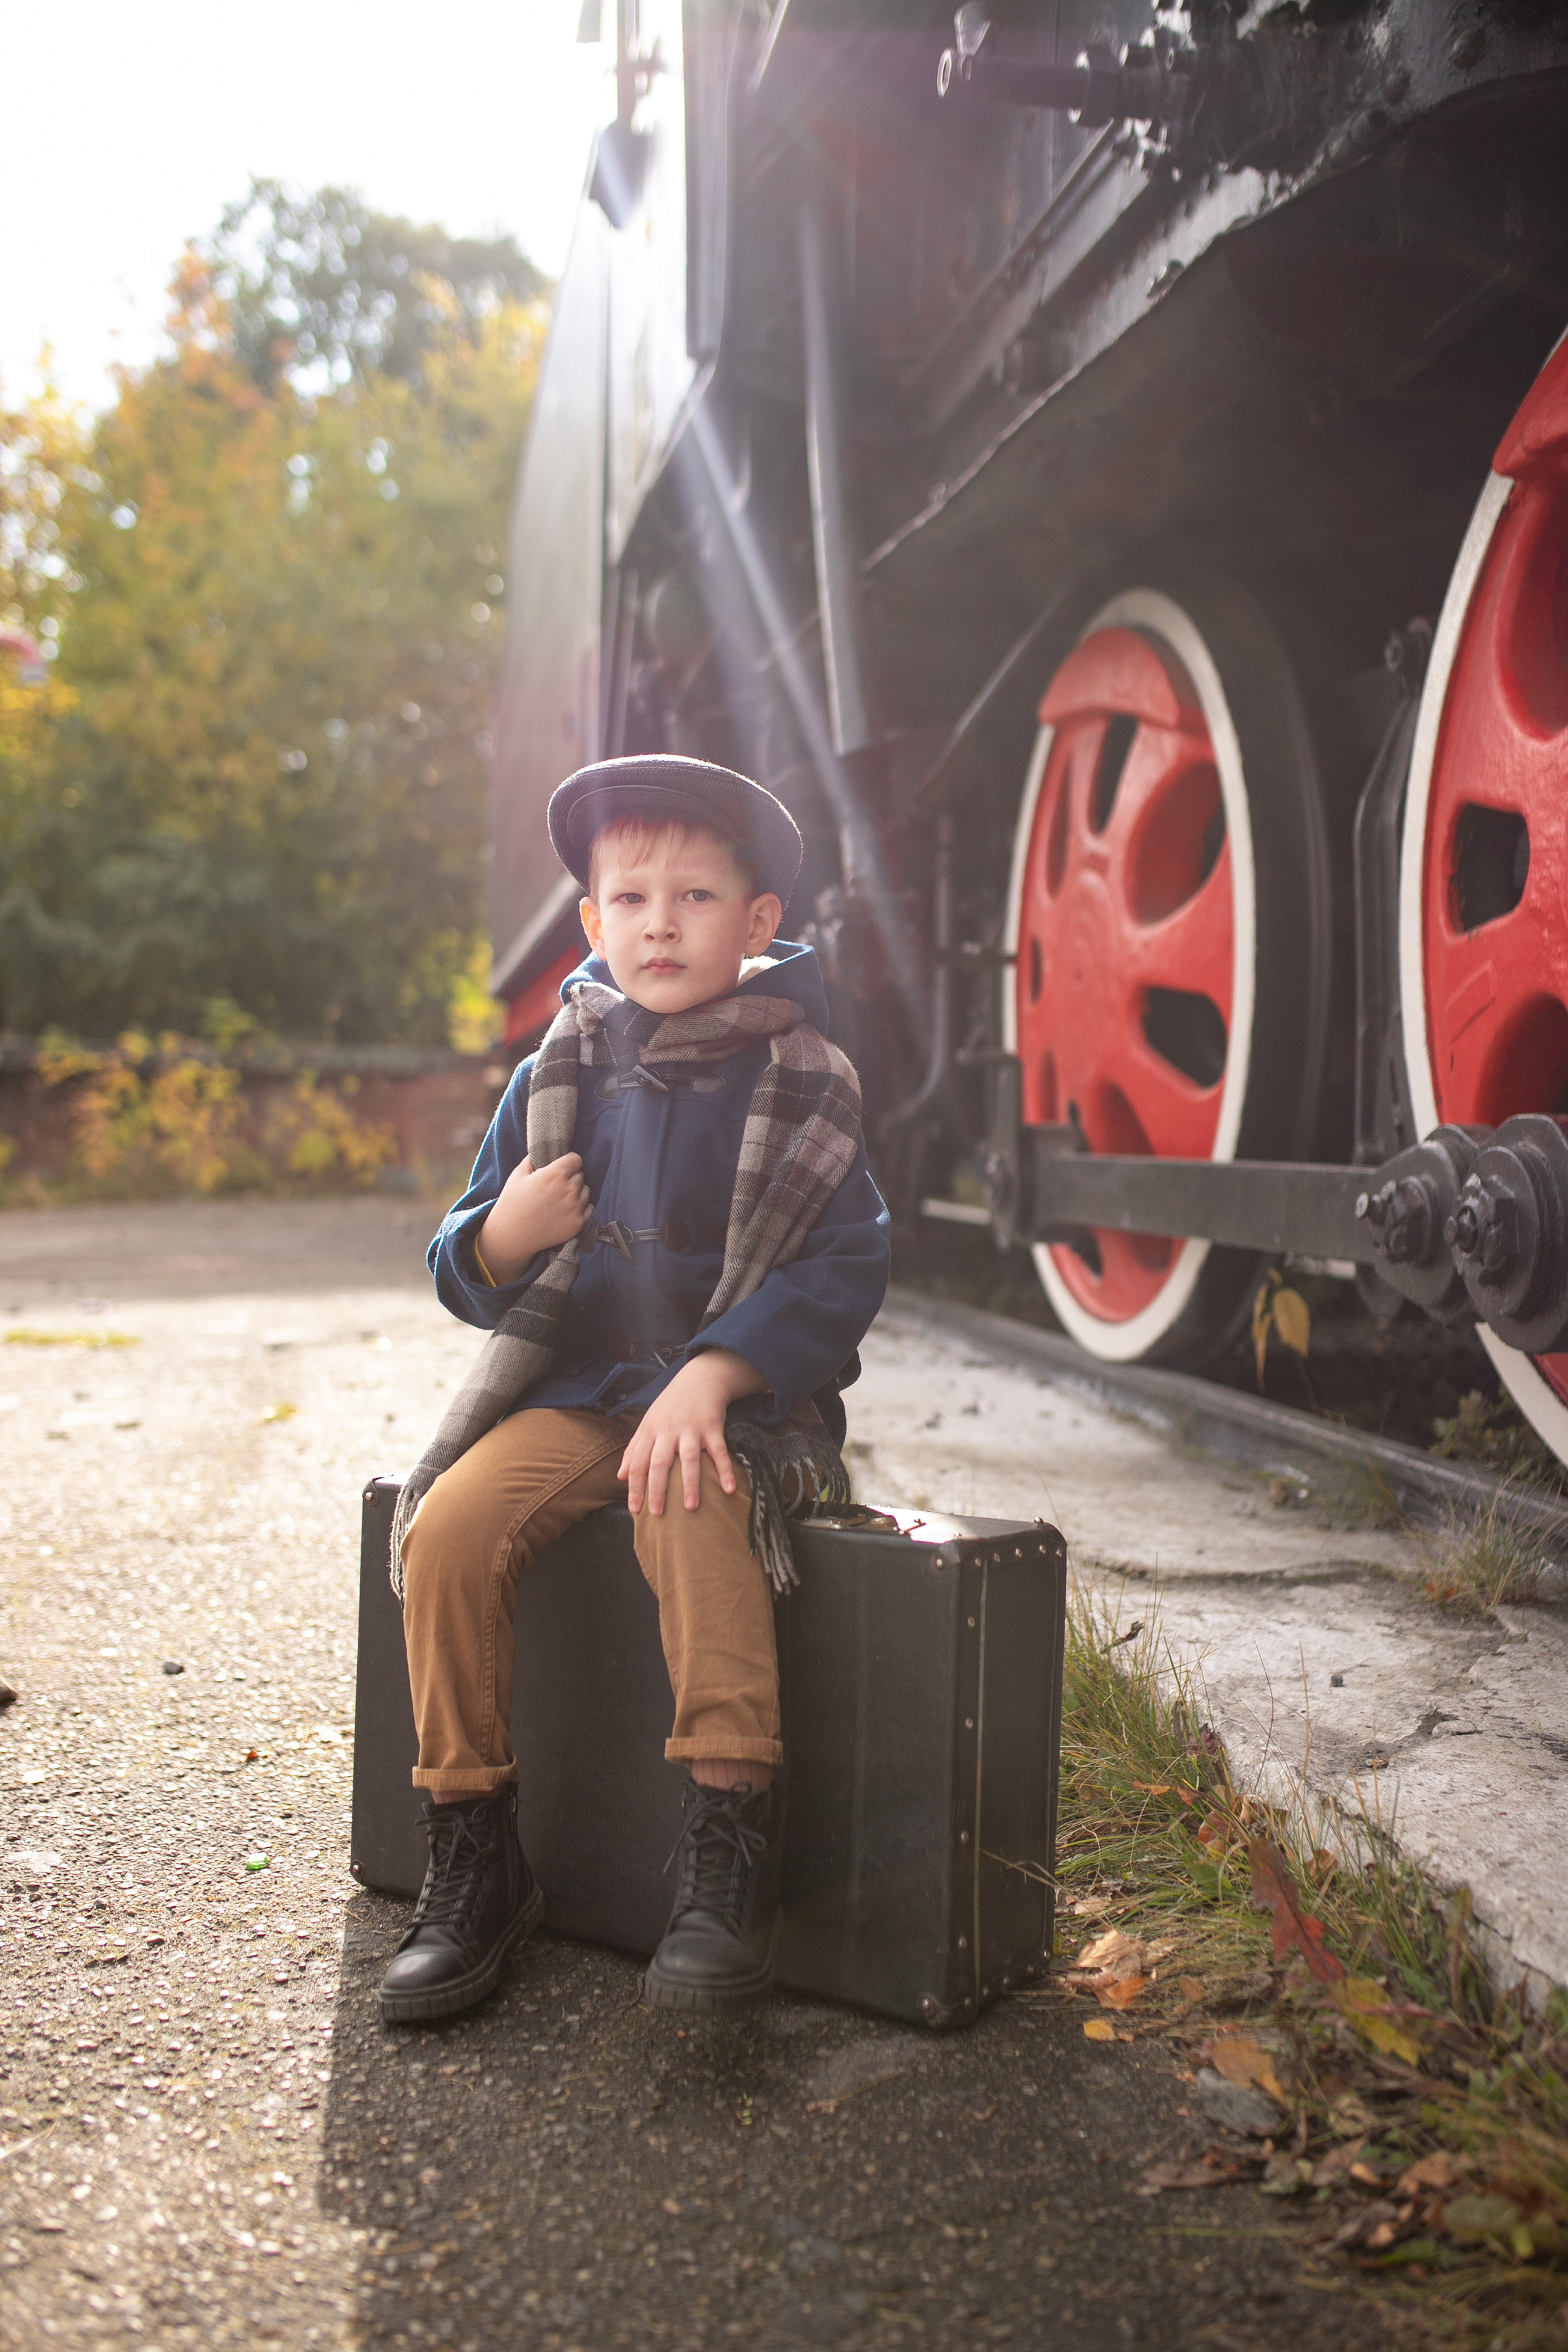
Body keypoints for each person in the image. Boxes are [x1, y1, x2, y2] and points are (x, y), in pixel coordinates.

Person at [379, 754, 890, 2024]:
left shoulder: (804, 1075)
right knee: (447, 1529)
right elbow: (458, 1261)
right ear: (593, 924)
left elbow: (846, 1264)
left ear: (757, 923)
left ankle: (725, 1848)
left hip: (734, 1407)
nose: (660, 923)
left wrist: (718, 1371)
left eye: (696, 897)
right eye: (631, 900)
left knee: (682, 1498)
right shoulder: (562, 1067)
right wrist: (504, 1235)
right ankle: (473, 1846)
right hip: (580, 1392)